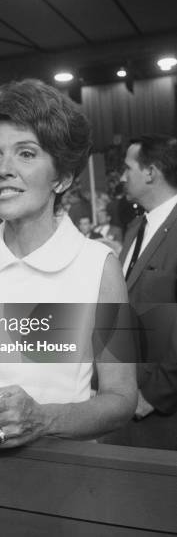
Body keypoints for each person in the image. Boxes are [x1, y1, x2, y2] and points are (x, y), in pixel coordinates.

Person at [0, 79, 137, 449]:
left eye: (25, 153)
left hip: (62, 474)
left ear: (63, 177)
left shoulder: (99, 266)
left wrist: (44, 418)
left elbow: (121, 399)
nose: (3, 169)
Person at [106, 135, 177, 449]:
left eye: (128, 168)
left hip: (160, 407)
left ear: (150, 172)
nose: (122, 177)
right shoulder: (137, 226)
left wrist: (155, 393)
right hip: (125, 394)